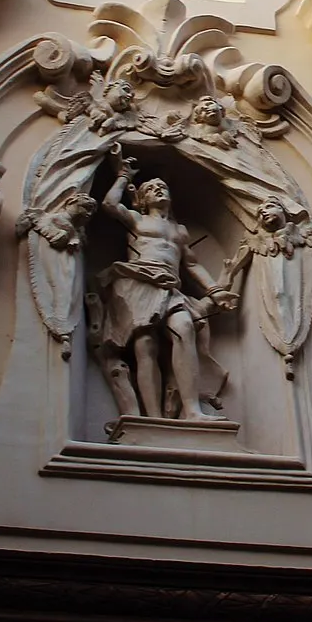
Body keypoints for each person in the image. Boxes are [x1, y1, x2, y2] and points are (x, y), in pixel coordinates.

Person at [92, 152, 237, 422]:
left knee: (184, 328)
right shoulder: (137, 220)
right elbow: (110, 205)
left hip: (170, 287)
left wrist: (215, 291)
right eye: (151, 188)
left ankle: (193, 410)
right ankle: (154, 417)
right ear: (142, 200)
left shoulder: (179, 231)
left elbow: (192, 265)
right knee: (145, 345)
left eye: (163, 187)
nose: (159, 189)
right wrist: (124, 176)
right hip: (137, 281)